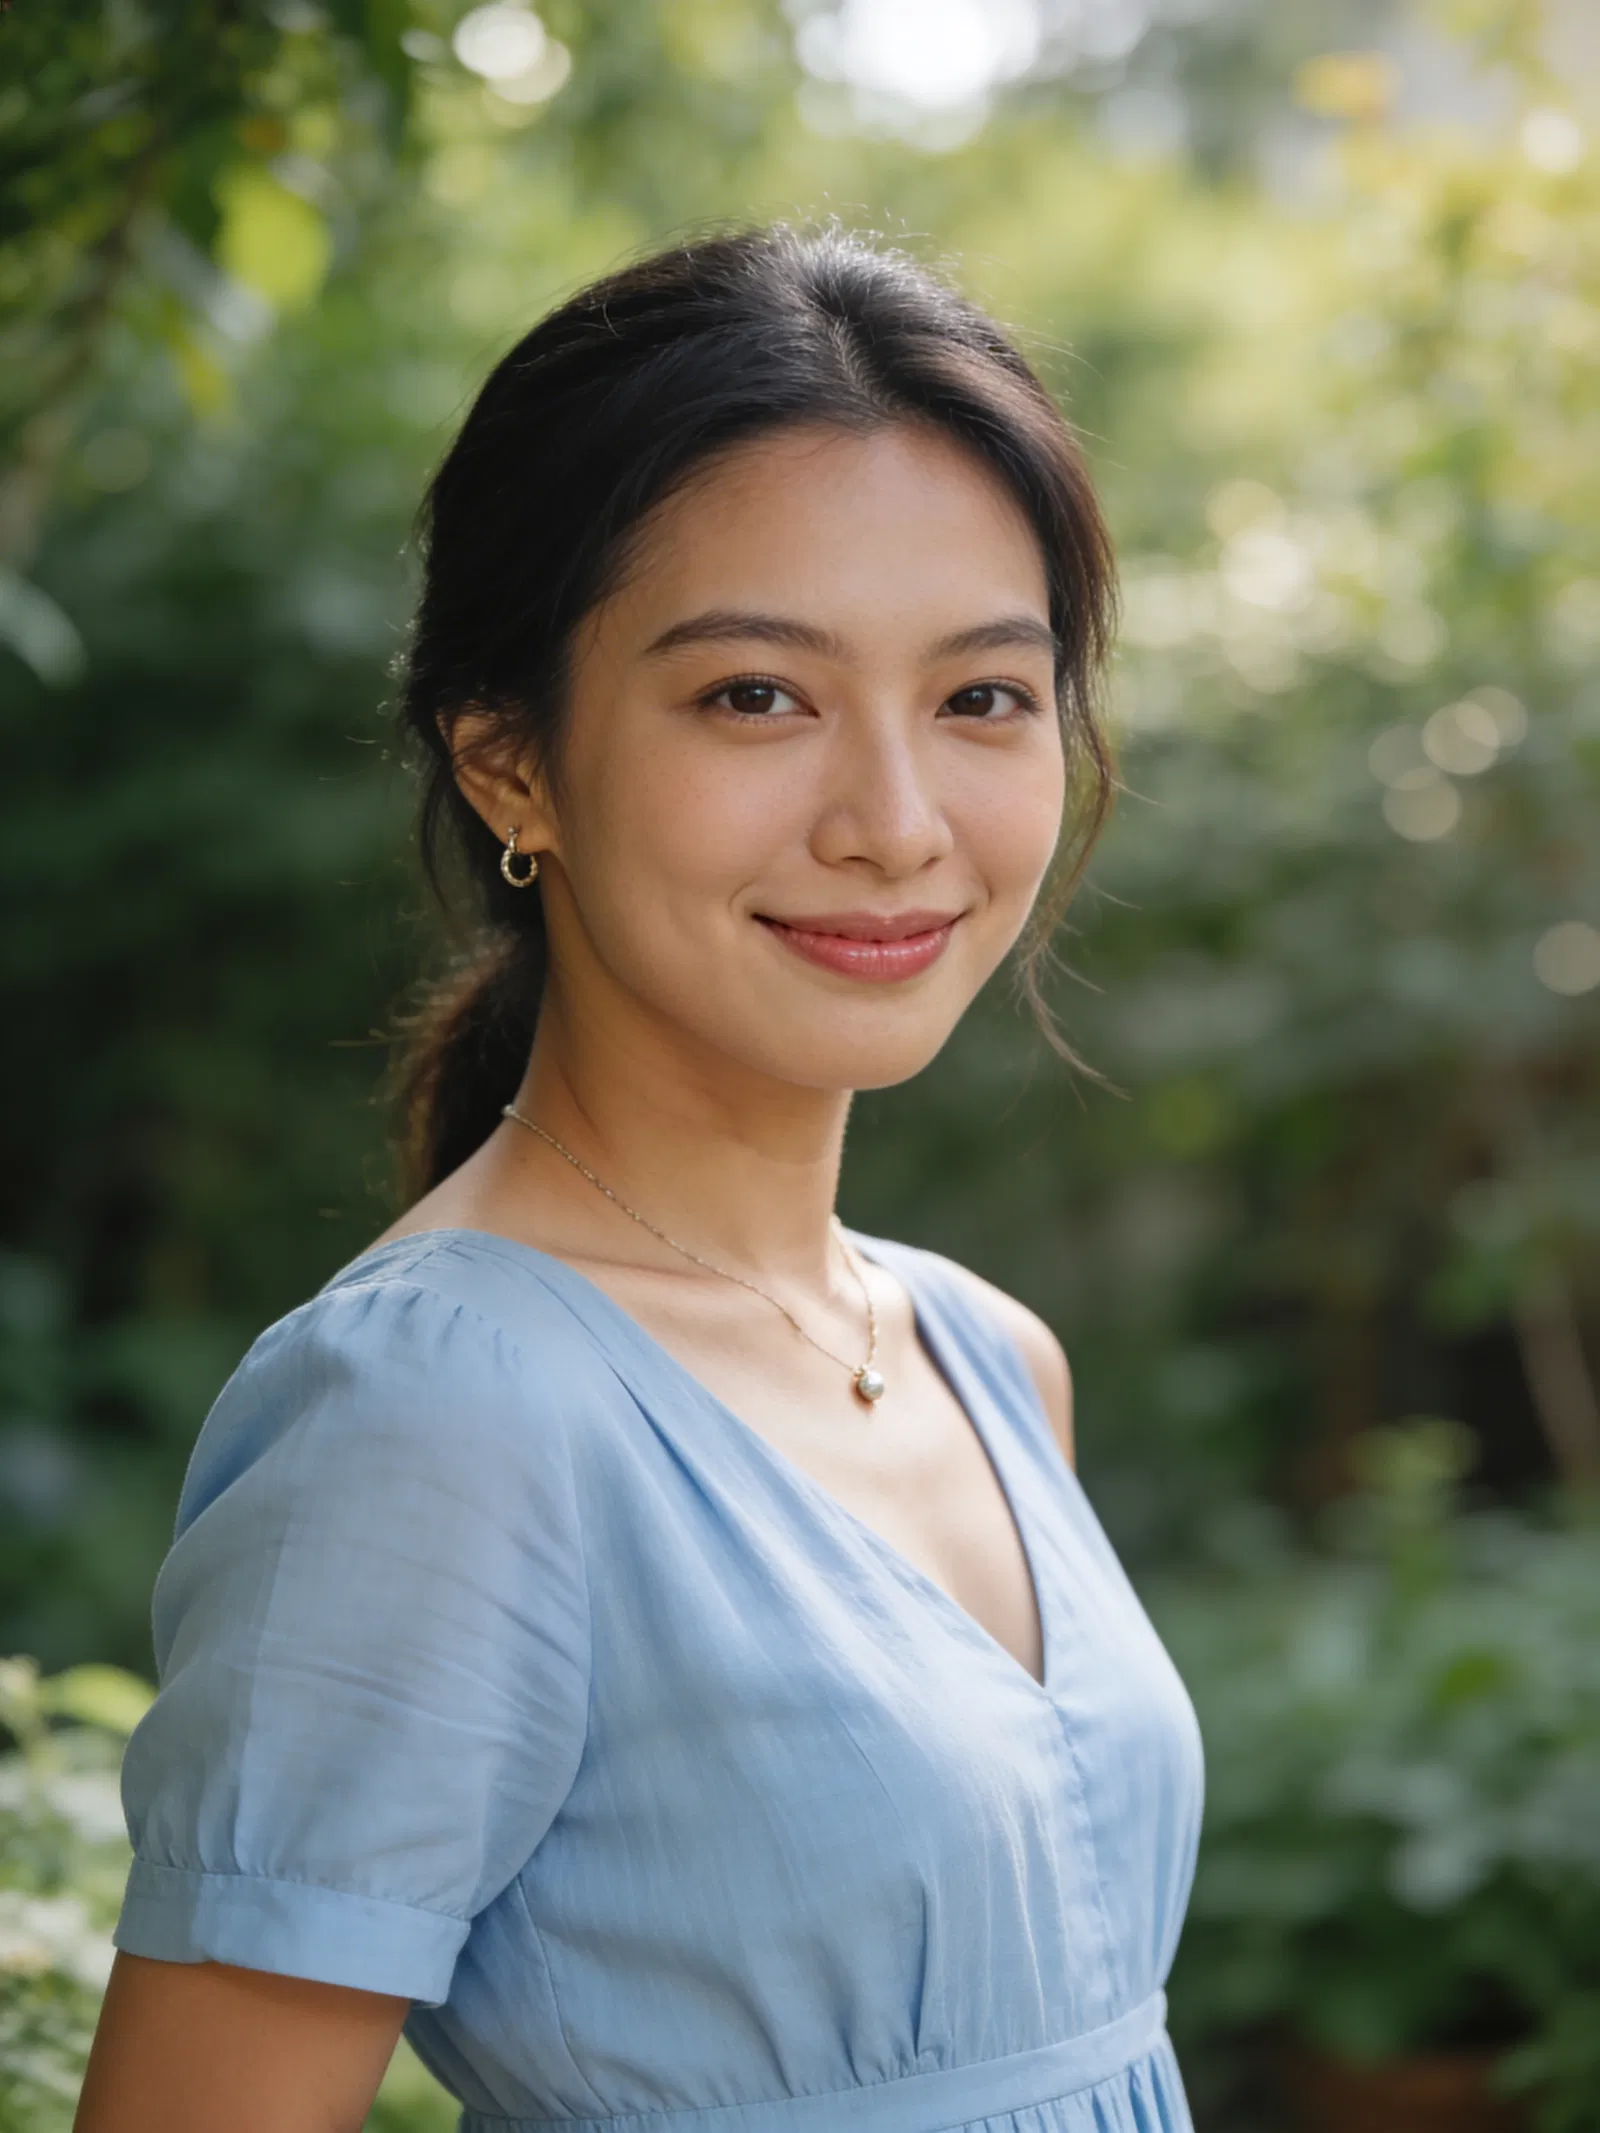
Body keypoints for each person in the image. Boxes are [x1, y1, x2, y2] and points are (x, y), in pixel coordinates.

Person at [75, 224, 1203, 2133]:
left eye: (984, 699)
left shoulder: (985, 1354)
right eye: (757, 695)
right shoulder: (434, 1412)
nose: (896, 823)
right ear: (510, 763)